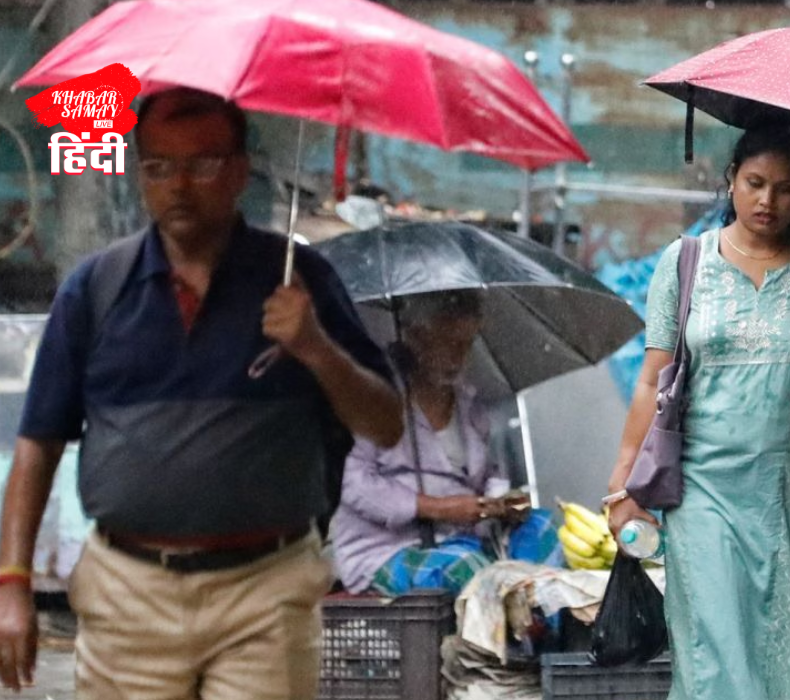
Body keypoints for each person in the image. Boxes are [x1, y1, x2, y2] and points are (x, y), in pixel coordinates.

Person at [0, 87, 403, 697]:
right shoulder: (96, 289)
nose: (179, 186)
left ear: (240, 171)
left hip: (264, 595)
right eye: (159, 166)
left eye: (203, 163)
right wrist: (13, 585)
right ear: (140, 175)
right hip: (126, 595)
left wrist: (316, 346)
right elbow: (37, 444)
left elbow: (386, 423)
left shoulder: (301, 281)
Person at [605, 123, 790, 700]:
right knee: (714, 651)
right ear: (730, 181)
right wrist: (622, 480)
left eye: (785, 188)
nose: (767, 201)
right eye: (754, 183)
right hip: (704, 489)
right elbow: (652, 377)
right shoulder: (686, 262)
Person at [332, 290, 558, 597]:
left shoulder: (469, 405)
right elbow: (352, 482)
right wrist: (434, 508)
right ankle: (490, 643)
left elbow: (489, 474)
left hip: (465, 539)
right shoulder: (372, 397)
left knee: (544, 531)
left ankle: (539, 638)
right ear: (415, 337)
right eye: (448, 343)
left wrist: (499, 503)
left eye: (465, 345)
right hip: (387, 550)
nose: (458, 356)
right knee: (467, 567)